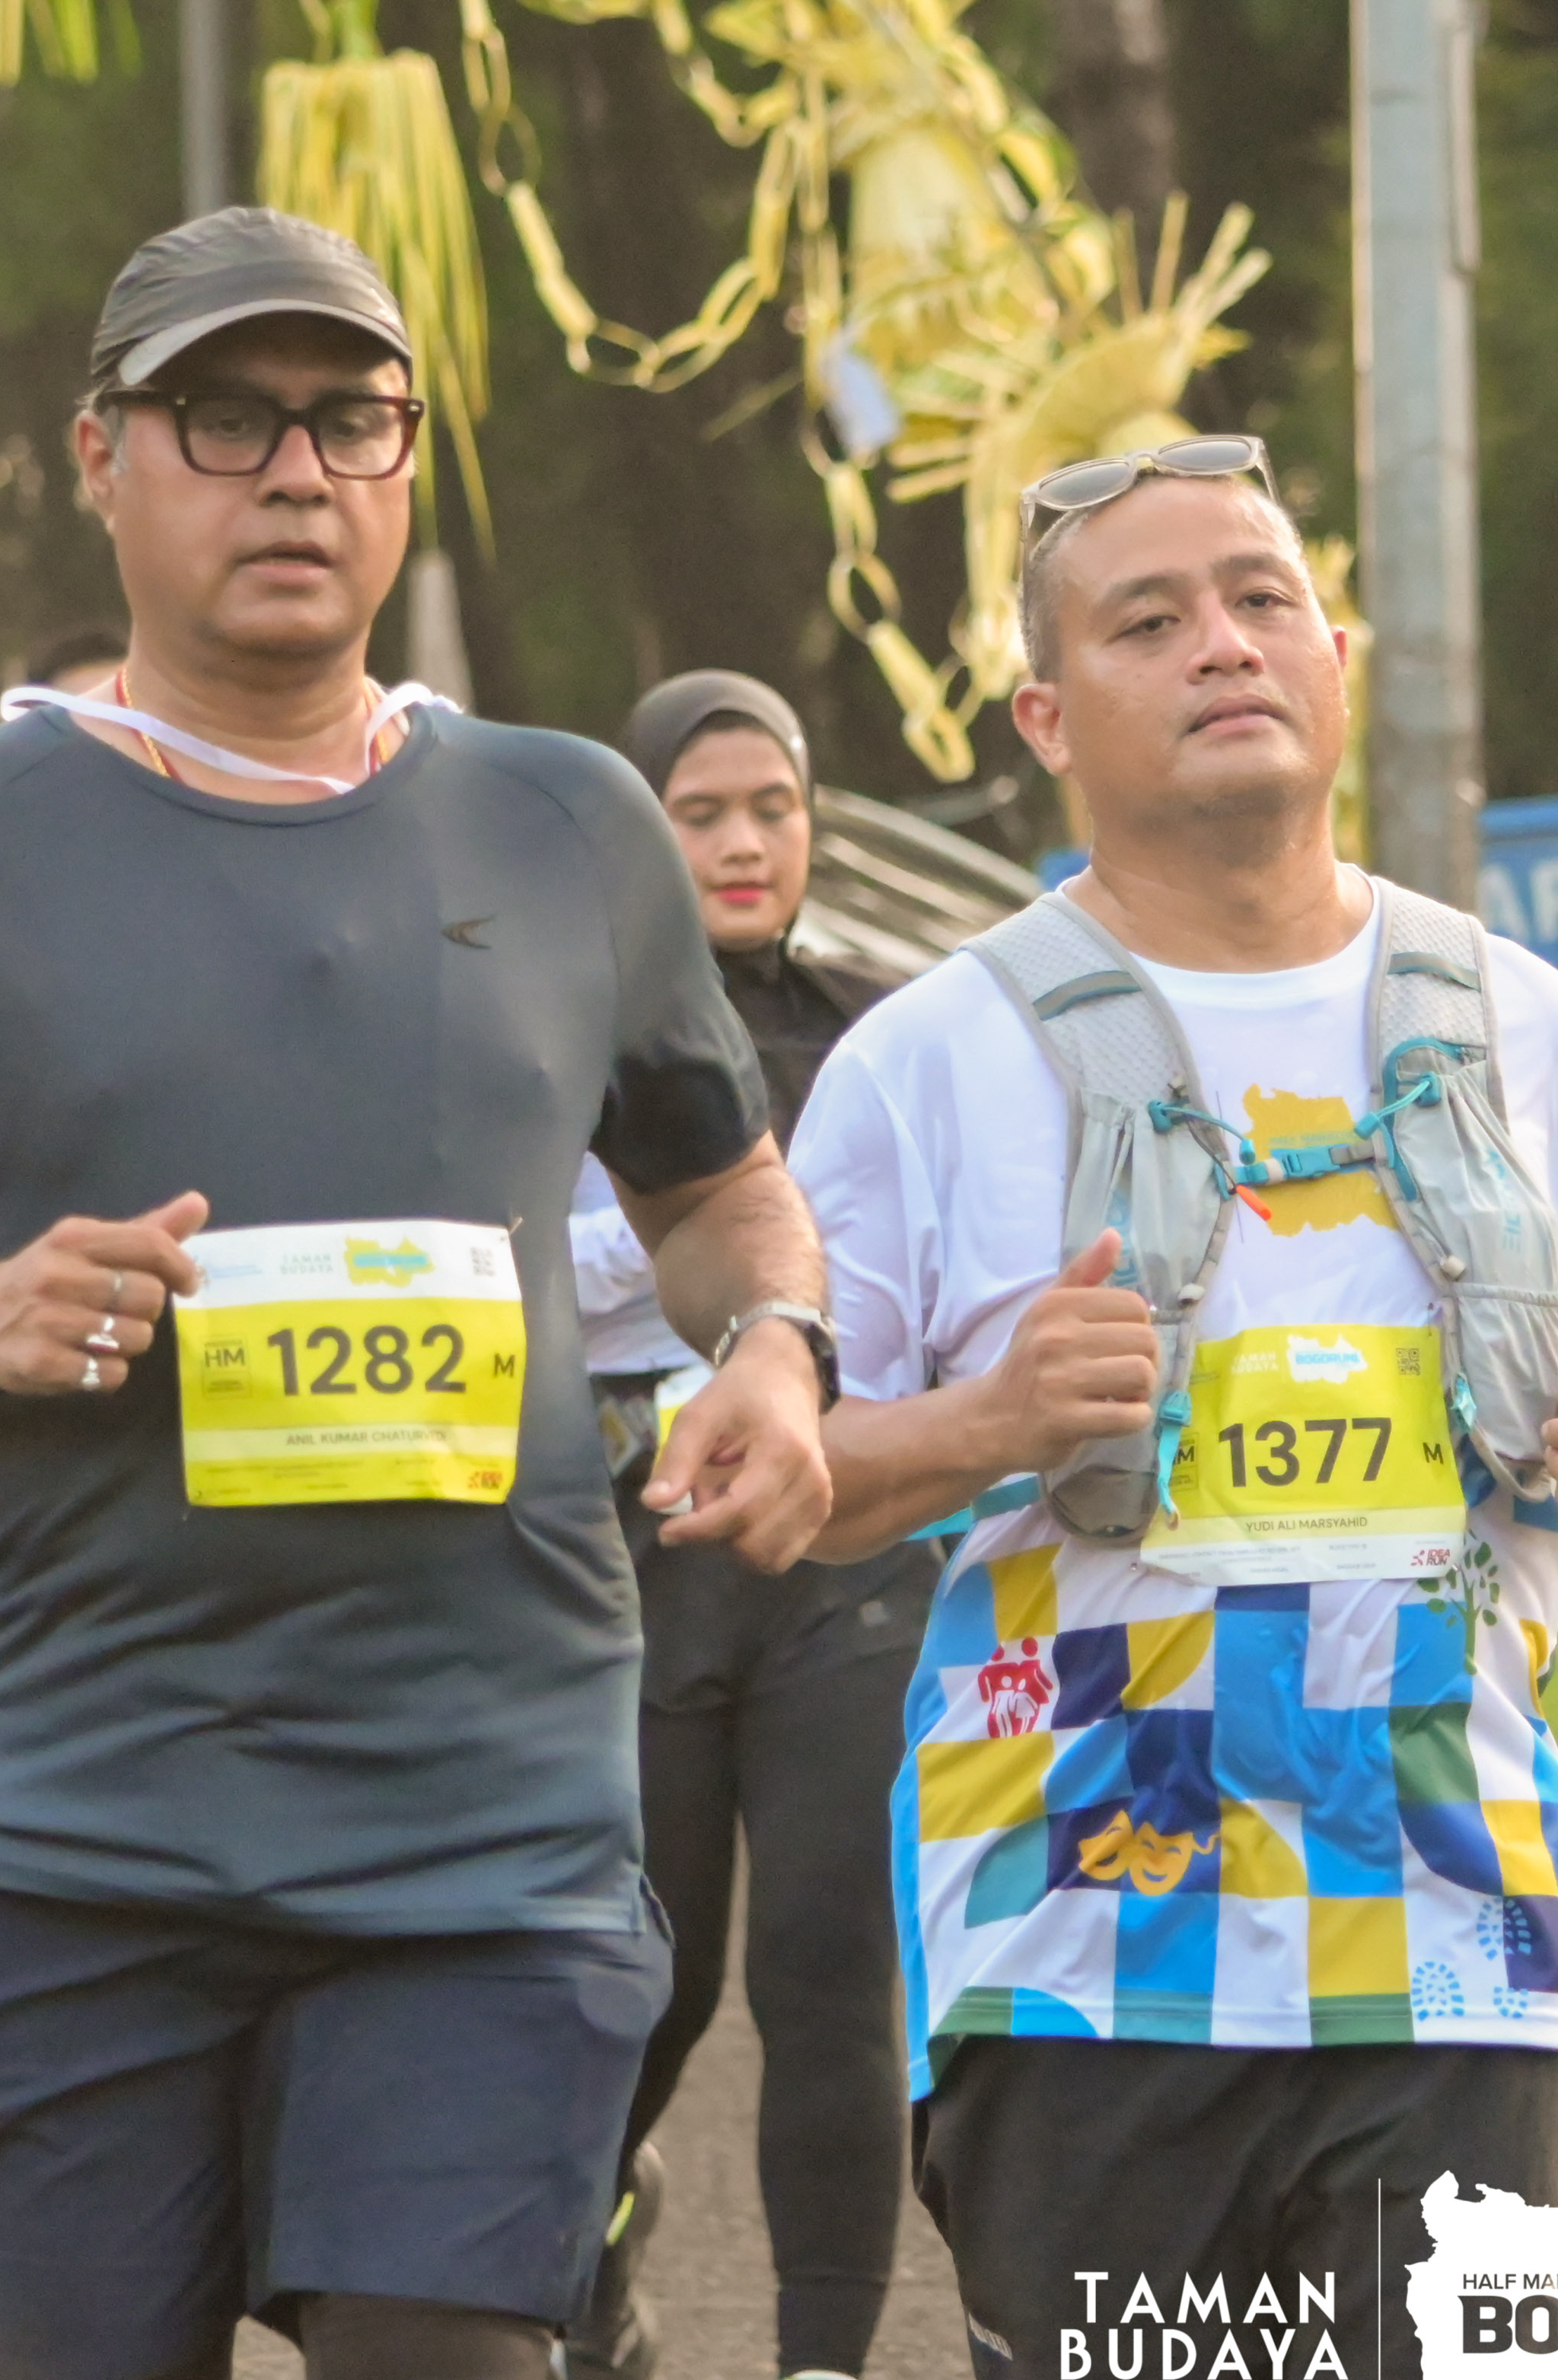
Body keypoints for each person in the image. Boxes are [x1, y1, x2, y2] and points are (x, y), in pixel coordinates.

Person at [0, 208, 840, 2380]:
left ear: (405, 465)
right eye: (224, 417)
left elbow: (721, 1187)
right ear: (101, 457)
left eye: (349, 419)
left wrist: (774, 1344)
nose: (294, 470)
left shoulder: (570, 825)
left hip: (484, 1841)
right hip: (63, 1835)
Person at [794, 438, 1558, 2380]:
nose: (1222, 644)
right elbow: (790, 1481)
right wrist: (991, 1419)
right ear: (1047, 717)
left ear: (1336, 656)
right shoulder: (925, 1059)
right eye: (1148, 621)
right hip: (1083, 1952)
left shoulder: (1523, 1023)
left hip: (1461, 1928)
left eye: (1260, 599)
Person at [564, 669, 928, 2380]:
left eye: (771, 808)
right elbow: (542, 1273)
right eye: (696, 813)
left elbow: (918, 1278)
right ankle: (583, 2278)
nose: (740, 842)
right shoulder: (562, 1030)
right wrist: (744, 1262)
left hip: (845, 1558)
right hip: (623, 1562)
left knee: (831, 1975)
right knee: (644, 1986)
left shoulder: (887, 1028)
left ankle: (821, 2360)